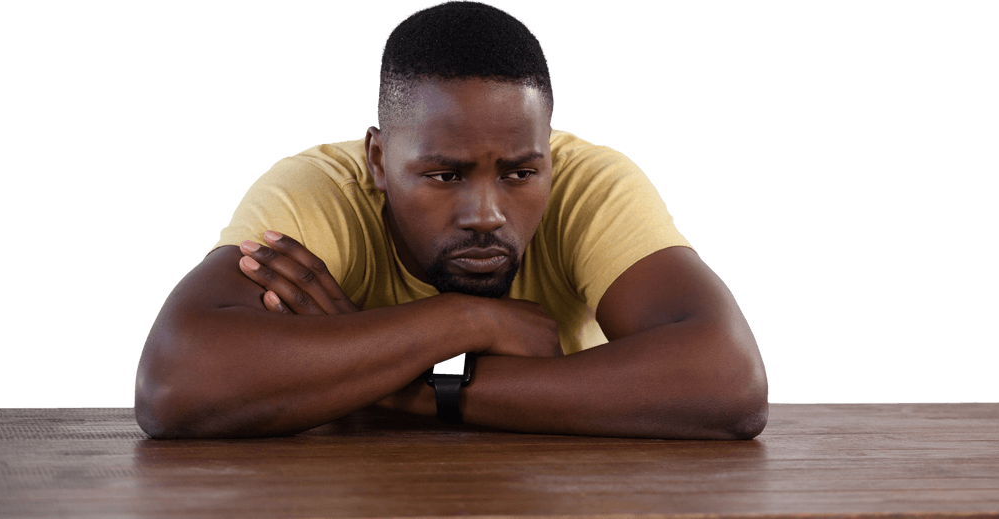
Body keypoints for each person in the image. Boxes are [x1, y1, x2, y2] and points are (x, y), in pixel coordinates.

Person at [134, 0, 768, 440]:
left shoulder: (589, 181)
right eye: (445, 175)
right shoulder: (318, 190)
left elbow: (728, 382)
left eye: (521, 173)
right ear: (378, 158)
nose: (487, 215)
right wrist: (467, 319)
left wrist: (402, 387)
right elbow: (173, 384)